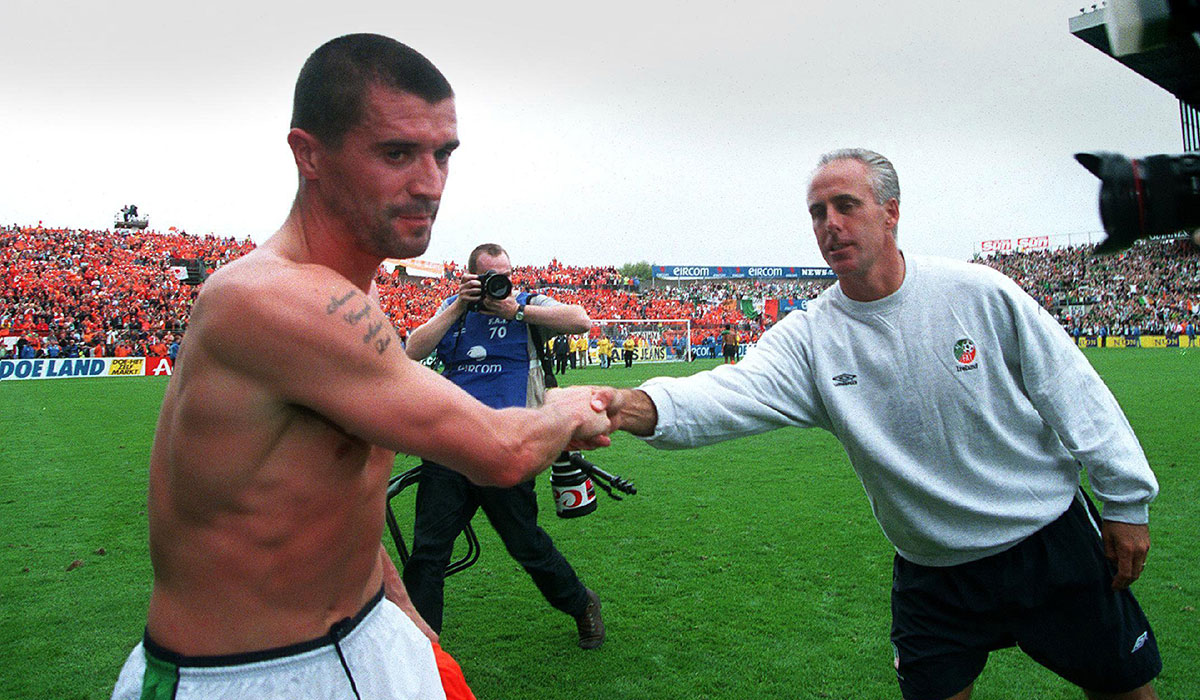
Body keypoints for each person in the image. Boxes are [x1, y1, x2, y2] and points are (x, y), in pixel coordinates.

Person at [110, 34, 612, 700]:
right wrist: (574, 408)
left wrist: (400, 614)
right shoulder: (267, 298)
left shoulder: (357, 294)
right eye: (396, 152)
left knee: (494, 546)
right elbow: (503, 452)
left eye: (444, 154)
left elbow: (334, 491)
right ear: (309, 153)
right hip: (248, 674)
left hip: (364, 635)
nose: (430, 182)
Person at [600, 149, 1161, 700]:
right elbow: (722, 395)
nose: (830, 225)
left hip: (1043, 540)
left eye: (846, 205)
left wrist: (1126, 502)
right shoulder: (811, 338)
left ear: (891, 211)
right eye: (818, 213)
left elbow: (1075, 393)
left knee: (1124, 692)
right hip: (932, 568)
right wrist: (618, 406)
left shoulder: (977, 293)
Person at [401, 243, 606, 649]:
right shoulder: (453, 308)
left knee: (525, 544)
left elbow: (581, 320)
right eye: (490, 276)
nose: (500, 283)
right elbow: (411, 350)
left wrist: (517, 311)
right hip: (451, 446)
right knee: (428, 552)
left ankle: (582, 603)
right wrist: (459, 307)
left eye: (506, 274)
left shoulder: (527, 304)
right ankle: (420, 651)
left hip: (507, 446)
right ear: (470, 277)